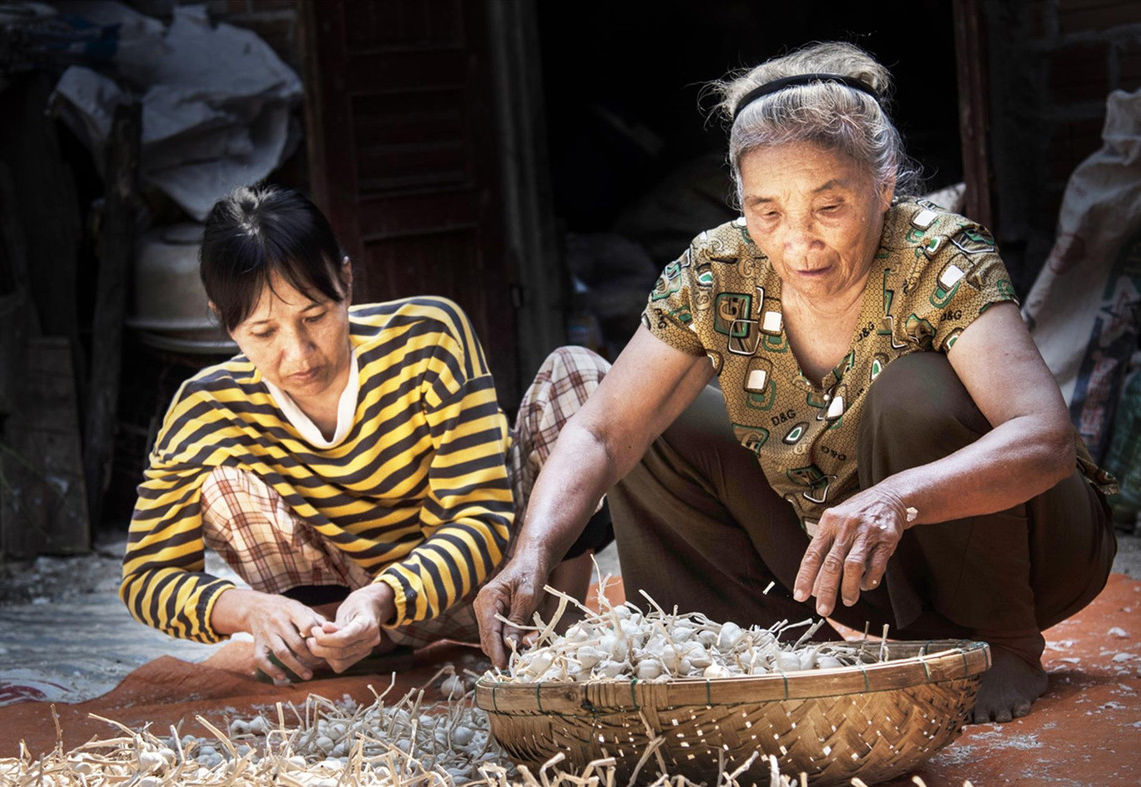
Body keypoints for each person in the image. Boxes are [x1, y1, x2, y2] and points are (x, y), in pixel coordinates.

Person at [475, 42, 1116, 724]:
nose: (798, 241)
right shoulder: (717, 272)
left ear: (885, 184)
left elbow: (1043, 439)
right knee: (657, 428)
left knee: (913, 390)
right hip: (858, 567)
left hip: (1035, 552)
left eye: (829, 207)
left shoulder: (938, 256)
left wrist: (894, 498)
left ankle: (999, 646)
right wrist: (532, 553)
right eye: (768, 211)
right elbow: (603, 432)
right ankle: (757, 654)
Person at [121, 185, 610, 684]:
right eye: (264, 333)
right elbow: (146, 577)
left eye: (314, 316)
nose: (299, 354)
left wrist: (385, 596)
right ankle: (342, 646)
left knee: (577, 374)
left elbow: (478, 518)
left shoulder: (428, 337)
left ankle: (555, 619)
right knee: (219, 484)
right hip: (353, 613)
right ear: (226, 324)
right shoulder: (205, 407)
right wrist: (247, 610)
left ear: (347, 282)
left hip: (502, 581)